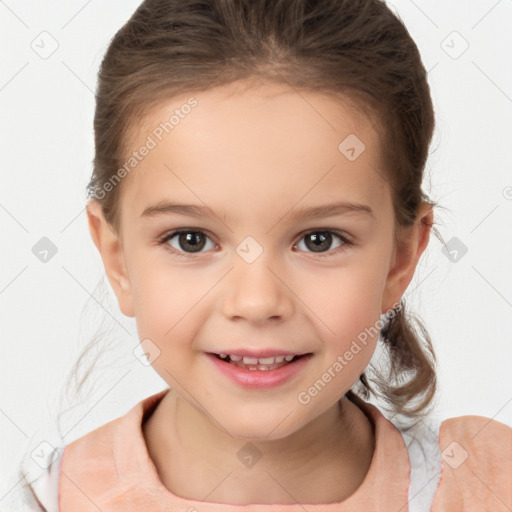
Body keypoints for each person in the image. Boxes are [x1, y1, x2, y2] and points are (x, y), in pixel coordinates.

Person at [19, 0, 512, 510]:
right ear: (116, 257)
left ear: (400, 257)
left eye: (319, 240)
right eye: (191, 239)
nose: (256, 302)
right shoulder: (44, 498)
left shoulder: (487, 488)